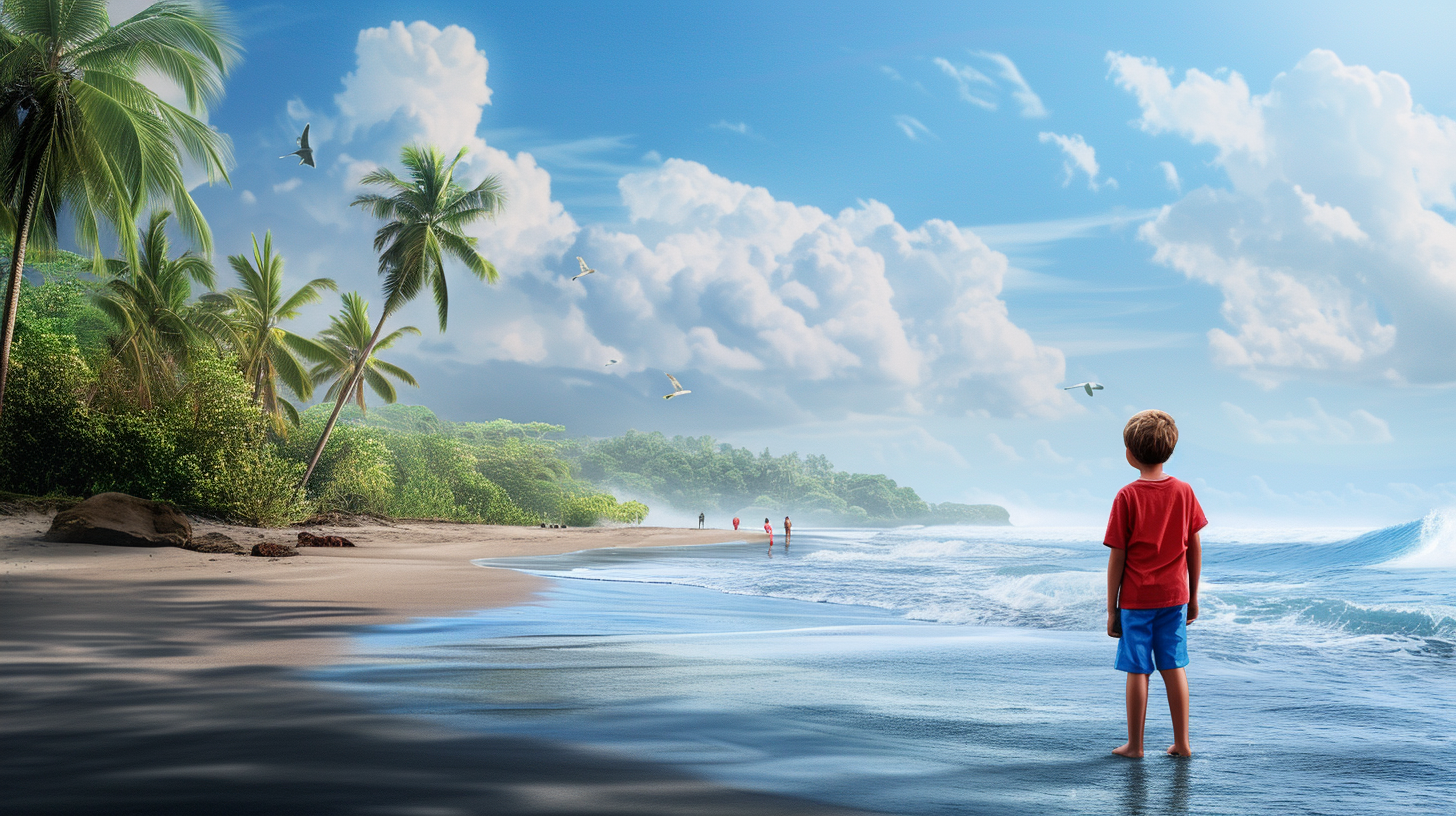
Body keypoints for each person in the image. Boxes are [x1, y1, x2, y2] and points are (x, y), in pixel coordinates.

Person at [1105, 410, 1205, 759]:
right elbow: (1193, 547)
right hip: (1174, 597)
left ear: (1130, 454)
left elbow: (1117, 557)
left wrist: (1111, 609)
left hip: (1136, 599)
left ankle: (1135, 745)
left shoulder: (1127, 496)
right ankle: (1183, 743)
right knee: (1173, 665)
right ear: (1169, 450)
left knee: (1137, 669)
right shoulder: (1184, 491)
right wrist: (1193, 597)